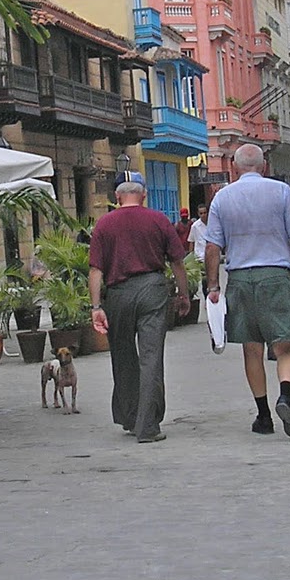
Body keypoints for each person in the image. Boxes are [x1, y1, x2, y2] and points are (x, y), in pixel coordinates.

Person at [203, 143, 290, 439]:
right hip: (275, 276)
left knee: (252, 349)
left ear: (233, 167)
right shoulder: (280, 192)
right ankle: (285, 395)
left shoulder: (221, 199)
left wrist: (213, 286)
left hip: (240, 280)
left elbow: (212, 248)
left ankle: (264, 415)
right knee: (285, 346)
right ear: (264, 166)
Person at [88, 181, 190, 443]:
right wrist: (183, 294)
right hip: (151, 290)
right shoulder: (158, 220)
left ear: (117, 197)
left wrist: (96, 307)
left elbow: (96, 270)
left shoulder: (104, 224)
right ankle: (148, 426)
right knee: (151, 357)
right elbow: (177, 262)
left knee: (123, 357)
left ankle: (131, 417)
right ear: (144, 196)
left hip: (118, 294)